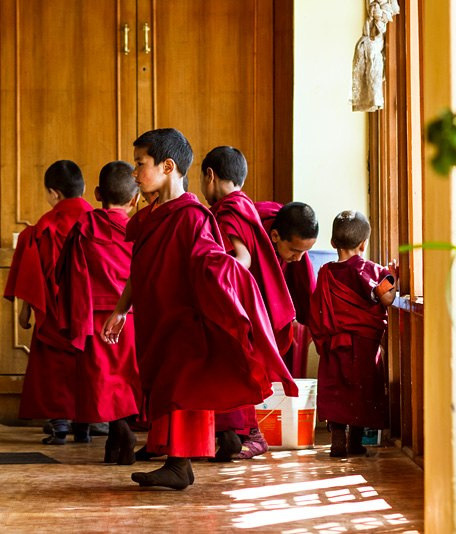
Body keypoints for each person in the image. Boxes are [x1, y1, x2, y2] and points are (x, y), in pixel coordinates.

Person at [100, 128, 297, 490]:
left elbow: (214, 263)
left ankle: (179, 464)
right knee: (166, 386)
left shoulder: (192, 215)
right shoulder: (152, 216)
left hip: (184, 322)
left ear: (167, 165)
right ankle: (176, 461)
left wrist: (232, 289)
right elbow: (138, 269)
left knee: (184, 387)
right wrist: (121, 309)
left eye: (140, 163)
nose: (135, 172)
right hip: (157, 317)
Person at [199, 146, 296, 461]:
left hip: (232, 302)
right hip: (241, 301)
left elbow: (243, 258)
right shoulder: (245, 206)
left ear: (210, 175)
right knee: (235, 370)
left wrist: (210, 268)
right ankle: (234, 435)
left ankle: (251, 436)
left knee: (232, 370)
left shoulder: (230, 210)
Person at [56, 161, 141, 464]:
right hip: (132, 316)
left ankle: (119, 432)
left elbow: (70, 275)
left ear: (96, 193)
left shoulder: (84, 227)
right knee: (129, 378)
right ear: (135, 199)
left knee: (102, 380)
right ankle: (122, 433)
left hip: (95, 317)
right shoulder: (140, 228)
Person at [3, 160, 93, 444]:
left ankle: (60, 424)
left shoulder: (46, 224)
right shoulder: (97, 221)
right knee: (86, 365)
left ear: (54, 193)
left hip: (53, 309)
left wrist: (26, 308)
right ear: (85, 188)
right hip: (89, 311)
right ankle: (85, 425)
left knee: (53, 368)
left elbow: (35, 271)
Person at [311, 210, 395, 458]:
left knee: (336, 389)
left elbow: (317, 307)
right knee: (361, 390)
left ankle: (337, 439)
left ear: (333, 243)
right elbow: (386, 297)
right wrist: (392, 277)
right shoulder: (367, 269)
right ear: (364, 243)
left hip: (334, 344)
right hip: (363, 345)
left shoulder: (325, 272)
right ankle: (355, 443)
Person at [255, 201, 319, 378]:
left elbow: (306, 292)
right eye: (294, 250)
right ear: (275, 236)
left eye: (304, 252)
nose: (298, 259)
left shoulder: (292, 253)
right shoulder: (252, 235)